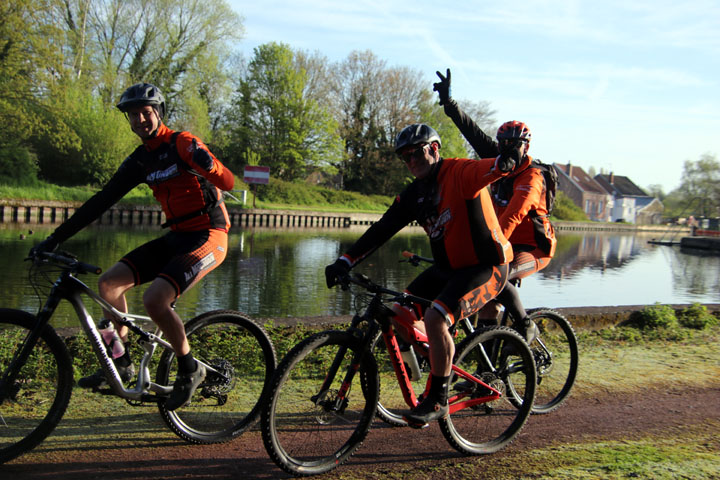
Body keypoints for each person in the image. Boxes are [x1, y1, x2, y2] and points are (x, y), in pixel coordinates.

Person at [29, 82, 235, 411]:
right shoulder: (141, 160)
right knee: (109, 284)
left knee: (156, 299)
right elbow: (101, 201)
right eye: (133, 115)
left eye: (145, 112)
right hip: (177, 235)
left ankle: (189, 368)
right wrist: (55, 238)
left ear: (159, 113)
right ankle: (120, 360)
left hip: (210, 234)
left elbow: (227, 182)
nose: (140, 119)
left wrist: (207, 164)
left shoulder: (182, 143)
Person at [324, 123, 516, 427]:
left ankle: (437, 398)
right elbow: (383, 228)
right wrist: (345, 261)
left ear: (434, 149)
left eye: (414, 153)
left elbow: (495, 168)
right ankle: (439, 358)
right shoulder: (415, 193)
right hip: (447, 268)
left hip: (486, 266)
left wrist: (506, 160)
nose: (410, 161)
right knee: (398, 313)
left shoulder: (460, 172)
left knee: (436, 318)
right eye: (404, 157)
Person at [433, 69, 557, 339]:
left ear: (526, 146)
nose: (508, 150)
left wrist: (491, 248)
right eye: (503, 144)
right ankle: (486, 374)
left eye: (515, 145)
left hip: (533, 248)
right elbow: (472, 132)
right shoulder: (500, 160)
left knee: (500, 278)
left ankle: (526, 326)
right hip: (504, 241)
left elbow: (515, 214)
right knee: (487, 301)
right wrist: (450, 104)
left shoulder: (533, 177)